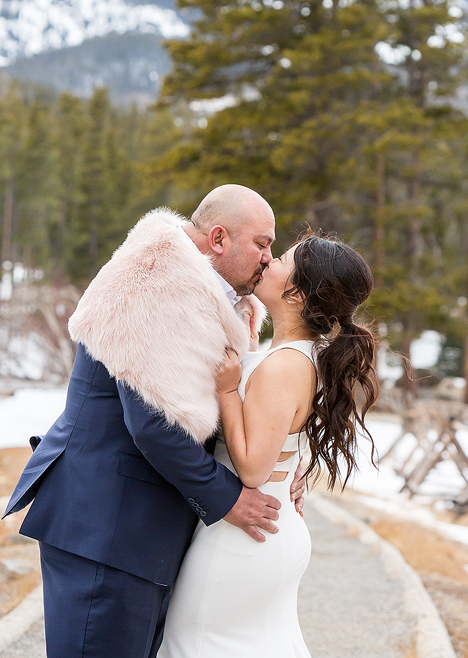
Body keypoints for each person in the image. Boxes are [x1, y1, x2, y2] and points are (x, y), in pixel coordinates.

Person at [4, 185, 305, 658]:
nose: (269, 259)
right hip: (108, 525)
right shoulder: (155, 281)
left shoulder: (209, 292)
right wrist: (229, 499)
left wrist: (281, 464)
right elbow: (153, 423)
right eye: (262, 244)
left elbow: (209, 411)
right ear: (220, 238)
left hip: (140, 529)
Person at [158, 232, 380, 658]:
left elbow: (254, 469)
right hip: (269, 532)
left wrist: (225, 392)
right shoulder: (301, 353)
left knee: (197, 646)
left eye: (280, 259)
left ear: (295, 291)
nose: (267, 261)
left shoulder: (285, 365)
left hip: (243, 537)